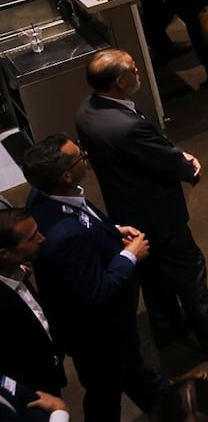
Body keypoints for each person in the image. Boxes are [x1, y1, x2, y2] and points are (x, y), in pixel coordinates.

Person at [74, 50, 208, 356]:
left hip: (125, 205)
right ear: (120, 82)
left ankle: (167, 326)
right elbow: (158, 154)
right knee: (189, 269)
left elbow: (142, 151)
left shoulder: (87, 110)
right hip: (157, 210)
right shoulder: (126, 126)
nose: (138, 72)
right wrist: (187, 166)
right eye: (133, 69)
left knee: (153, 273)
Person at [22, 133, 167, 422]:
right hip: (98, 331)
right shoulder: (65, 236)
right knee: (105, 392)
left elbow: (83, 219)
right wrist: (130, 256)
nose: (85, 156)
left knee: (129, 369)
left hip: (105, 330)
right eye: (80, 156)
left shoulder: (43, 194)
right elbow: (96, 291)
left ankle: (170, 403)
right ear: (65, 175)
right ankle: (174, 405)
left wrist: (113, 230)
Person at [0, 207, 67, 400]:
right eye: (32, 238)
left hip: (48, 377)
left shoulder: (15, 269)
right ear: (5, 253)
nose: (42, 238)